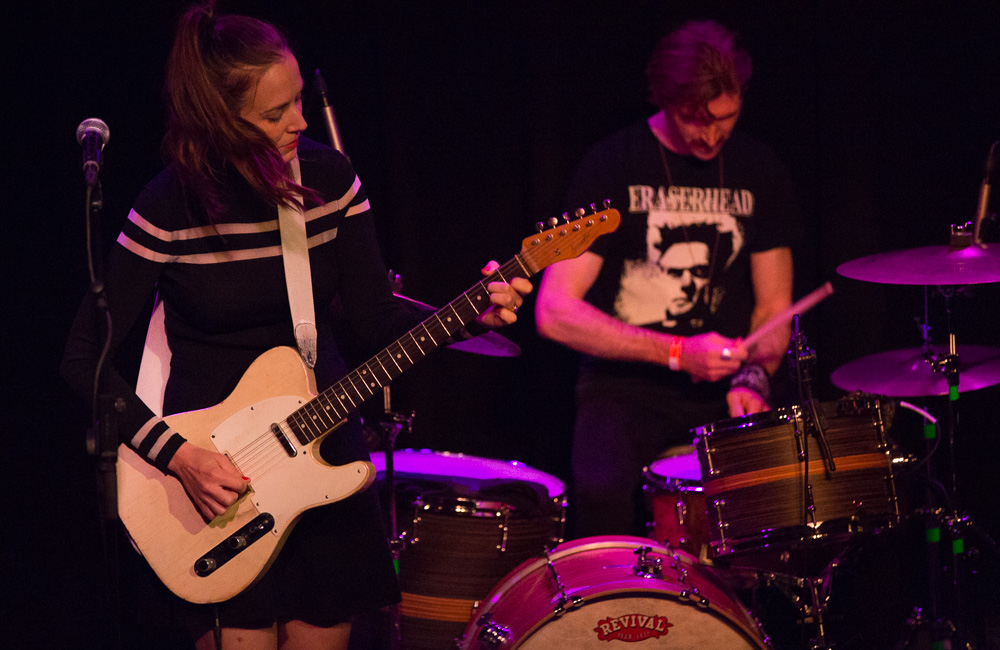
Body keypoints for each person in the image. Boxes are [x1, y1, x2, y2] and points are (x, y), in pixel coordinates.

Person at [60, 4, 531, 649]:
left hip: (322, 444)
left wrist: (465, 314)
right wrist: (179, 458)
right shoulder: (167, 207)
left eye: (299, 101)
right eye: (275, 112)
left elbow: (371, 321)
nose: (299, 122)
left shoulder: (328, 182)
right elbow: (86, 355)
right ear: (221, 119)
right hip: (216, 482)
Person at [535, 19, 798, 539]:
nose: (711, 135)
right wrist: (677, 352)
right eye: (693, 120)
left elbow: (773, 308)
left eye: (725, 118)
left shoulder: (758, 169)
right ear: (663, 99)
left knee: (771, 513)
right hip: (625, 386)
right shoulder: (612, 164)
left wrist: (756, 376)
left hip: (728, 385)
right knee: (600, 497)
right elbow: (555, 311)